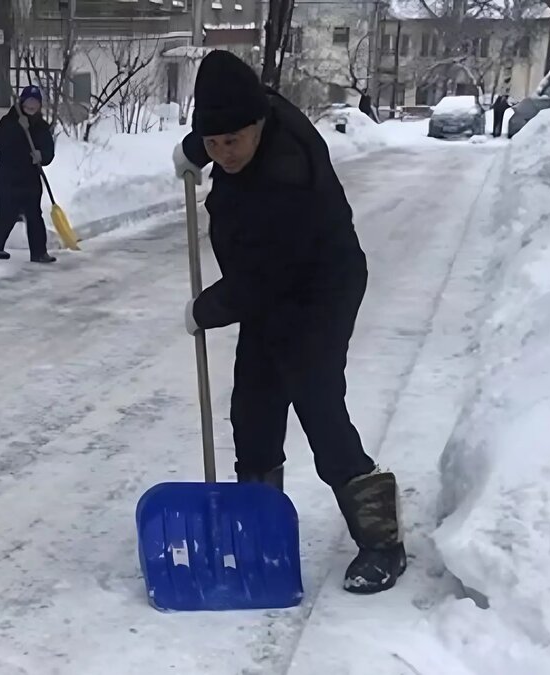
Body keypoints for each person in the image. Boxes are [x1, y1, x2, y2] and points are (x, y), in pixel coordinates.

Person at [171, 50, 406, 595]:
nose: (224, 154)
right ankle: (259, 523)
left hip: (318, 290)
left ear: (259, 124)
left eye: (233, 142)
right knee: (252, 406)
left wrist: (205, 310)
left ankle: (382, 543)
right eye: (213, 142)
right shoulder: (251, 110)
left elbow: (263, 278)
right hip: (269, 290)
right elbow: (220, 124)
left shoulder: (285, 176)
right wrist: (193, 150)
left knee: (318, 407)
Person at [0, 85, 57, 264]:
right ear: (22, 102)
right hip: (8, 178)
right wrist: (18, 128)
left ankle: (39, 252)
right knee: (6, 216)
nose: (31, 105)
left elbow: (49, 151)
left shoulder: (41, 126)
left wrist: (41, 155)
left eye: (35, 102)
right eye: (28, 101)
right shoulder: (9, 121)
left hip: (30, 181)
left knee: (34, 216)